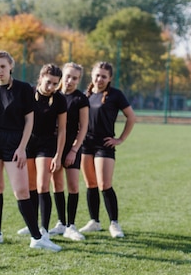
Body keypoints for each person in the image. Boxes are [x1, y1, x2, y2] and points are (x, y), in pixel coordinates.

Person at [0, 51, 60, 252]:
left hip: (14, 142)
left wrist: (22, 148)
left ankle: (36, 237)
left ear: (11, 66)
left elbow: (29, 120)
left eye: (3, 66)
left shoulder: (23, 89)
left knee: (21, 191)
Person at [79, 61, 136, 238]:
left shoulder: (115, 95)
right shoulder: (85, 95)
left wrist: (120, 139)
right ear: (92, 75)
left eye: (104, 76)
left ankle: (114, 223)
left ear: (110, 78)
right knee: (91, 185)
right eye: (97, 75)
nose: (99, 79)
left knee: (104, 184)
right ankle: (94, 221)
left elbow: (131, 117)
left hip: (104, 145)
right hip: (86, 144)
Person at [24, 64, 67, 239]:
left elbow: (62, 129)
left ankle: (44, 229)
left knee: (43, 186)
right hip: (28, 144)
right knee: (31, 187)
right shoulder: (28, 93)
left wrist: (58, 155)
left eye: (55, 84)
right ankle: (32, 225)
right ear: (41, 77)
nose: (51, 87)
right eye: (49, 82)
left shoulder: (59, 99)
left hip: (47, 145)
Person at [48, 62, 89, 241]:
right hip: (54, 147)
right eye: (68, 76)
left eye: (75, 78)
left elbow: (84, 127)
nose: (70, 81)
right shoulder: (53, 96)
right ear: (62, 76)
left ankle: (71, 225)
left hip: (72, 148)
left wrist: (74, 150)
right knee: (57, 186)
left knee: (72, 185)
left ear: (79, 80)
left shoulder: (80, 99)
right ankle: (61, 223)